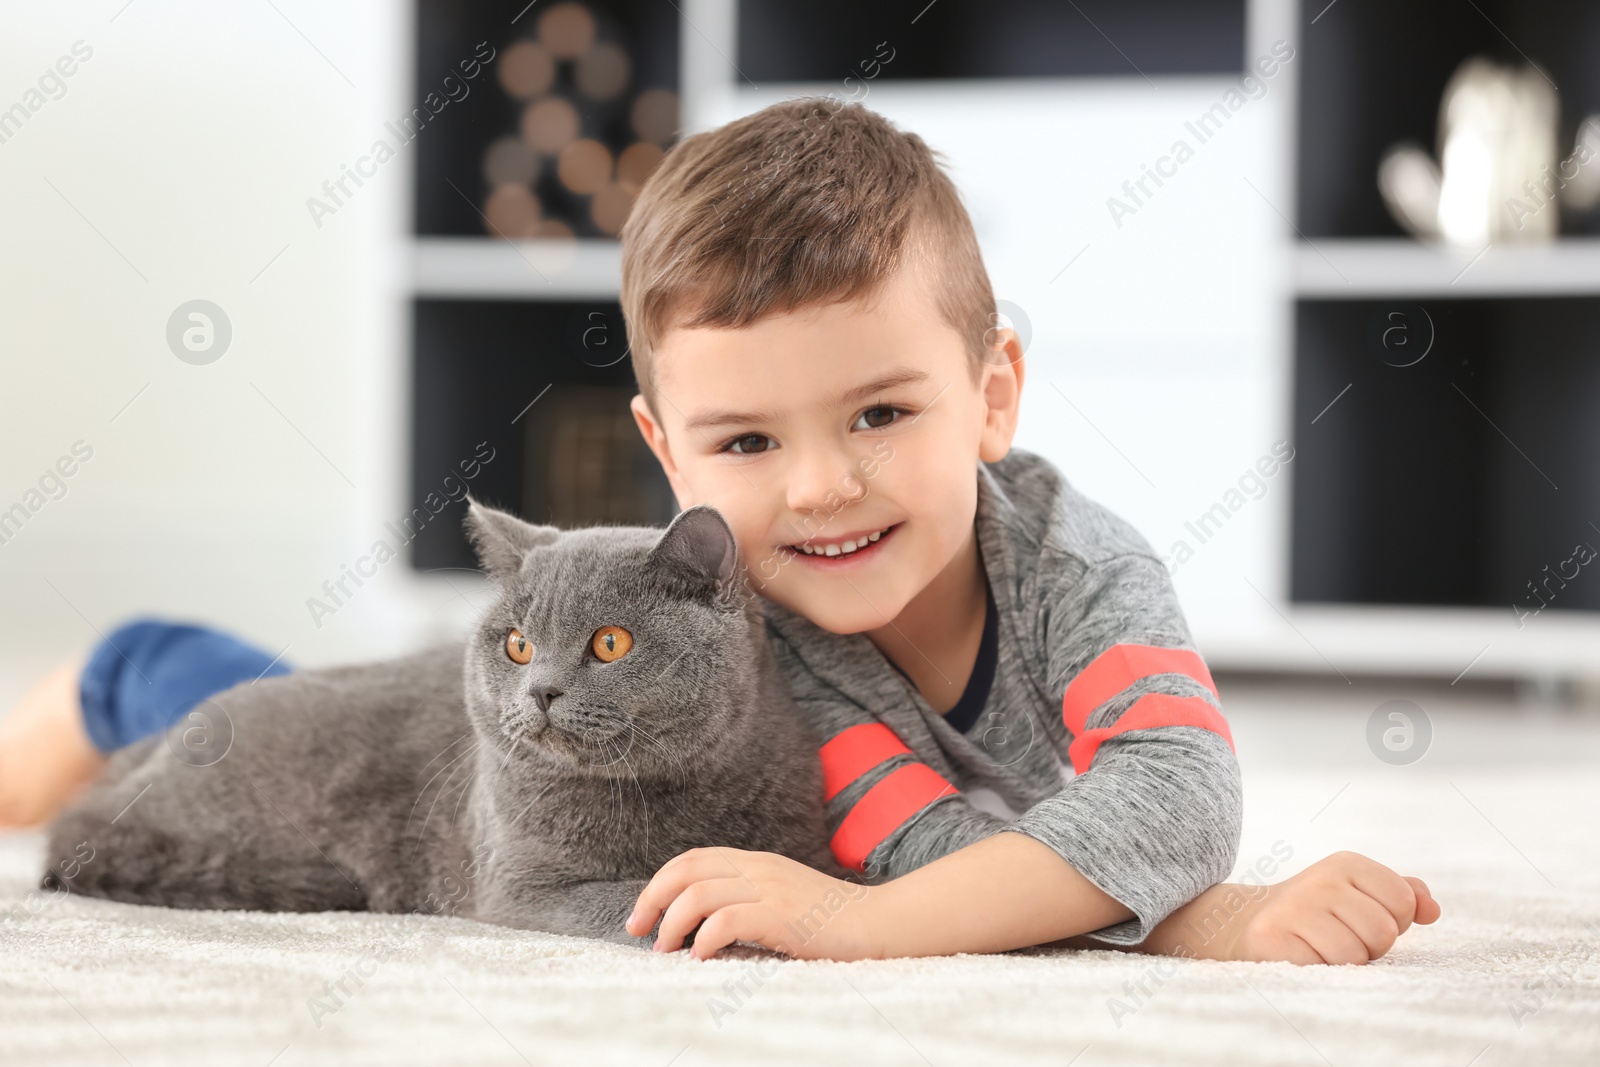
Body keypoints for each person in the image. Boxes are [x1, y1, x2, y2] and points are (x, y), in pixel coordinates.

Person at [0, 99, 1438, 965]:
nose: (818, 489)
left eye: (881, 414)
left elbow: (1168, 800)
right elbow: (933, 863)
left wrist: (1223, 916)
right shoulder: (750, 632)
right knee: (255, 729)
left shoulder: (1080, 566)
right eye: (746, 443)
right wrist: (1194, 923)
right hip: (414, 735)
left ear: (993, 392)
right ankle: (126, 672)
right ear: (663, 453)